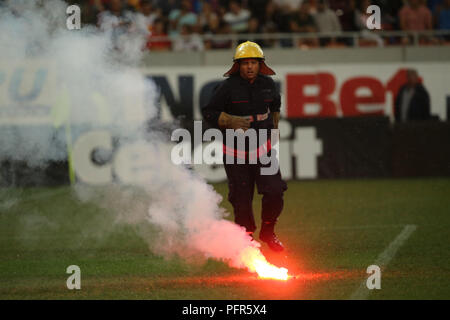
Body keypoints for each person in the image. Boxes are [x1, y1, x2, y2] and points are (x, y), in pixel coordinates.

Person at [202, 41, 288, 252]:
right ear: (237, 66)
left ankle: (268, 232)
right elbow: (209, 112)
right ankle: (246, 241)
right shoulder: (226, 87)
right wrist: (229, 120)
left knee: (275, 191)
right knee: (241, 199)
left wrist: (274, 128)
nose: (249, 67)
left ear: (260, 65)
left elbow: (275, 106)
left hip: (263, 151)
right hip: (235, 154)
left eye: (253, 62)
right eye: (245, 63)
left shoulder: (269, 84)